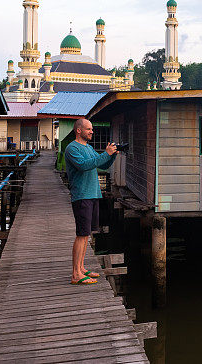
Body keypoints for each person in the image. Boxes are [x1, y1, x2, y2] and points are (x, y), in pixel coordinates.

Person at [64, 118, 117, 285]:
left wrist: (112, 155)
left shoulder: (89, 147)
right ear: (78, 130)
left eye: (92, 129)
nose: (92, 131)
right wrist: (105, 154)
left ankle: (81, 268)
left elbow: (101, 164)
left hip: (93, 194)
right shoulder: (72, 148)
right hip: (82, 196)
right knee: (81, 234)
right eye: (88, 129)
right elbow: (84, 165)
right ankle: (75, 274)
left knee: (87, 234)